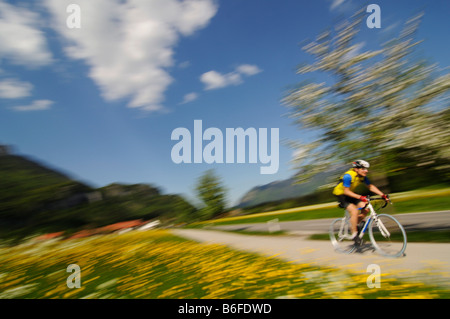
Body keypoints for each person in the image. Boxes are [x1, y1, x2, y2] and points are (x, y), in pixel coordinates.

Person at [332, 160, 389, 244]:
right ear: (356, 169)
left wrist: (383, 195)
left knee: (365, 208)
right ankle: (354, 235)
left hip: (350, 194)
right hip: (341, 194)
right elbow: (346, 192)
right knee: (354, 211)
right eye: (363, 168)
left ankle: (355, 224)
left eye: (366, 169)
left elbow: (370, 186)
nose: (366, 171)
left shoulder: (362, 176)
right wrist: (361, 197)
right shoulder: (348, 176)